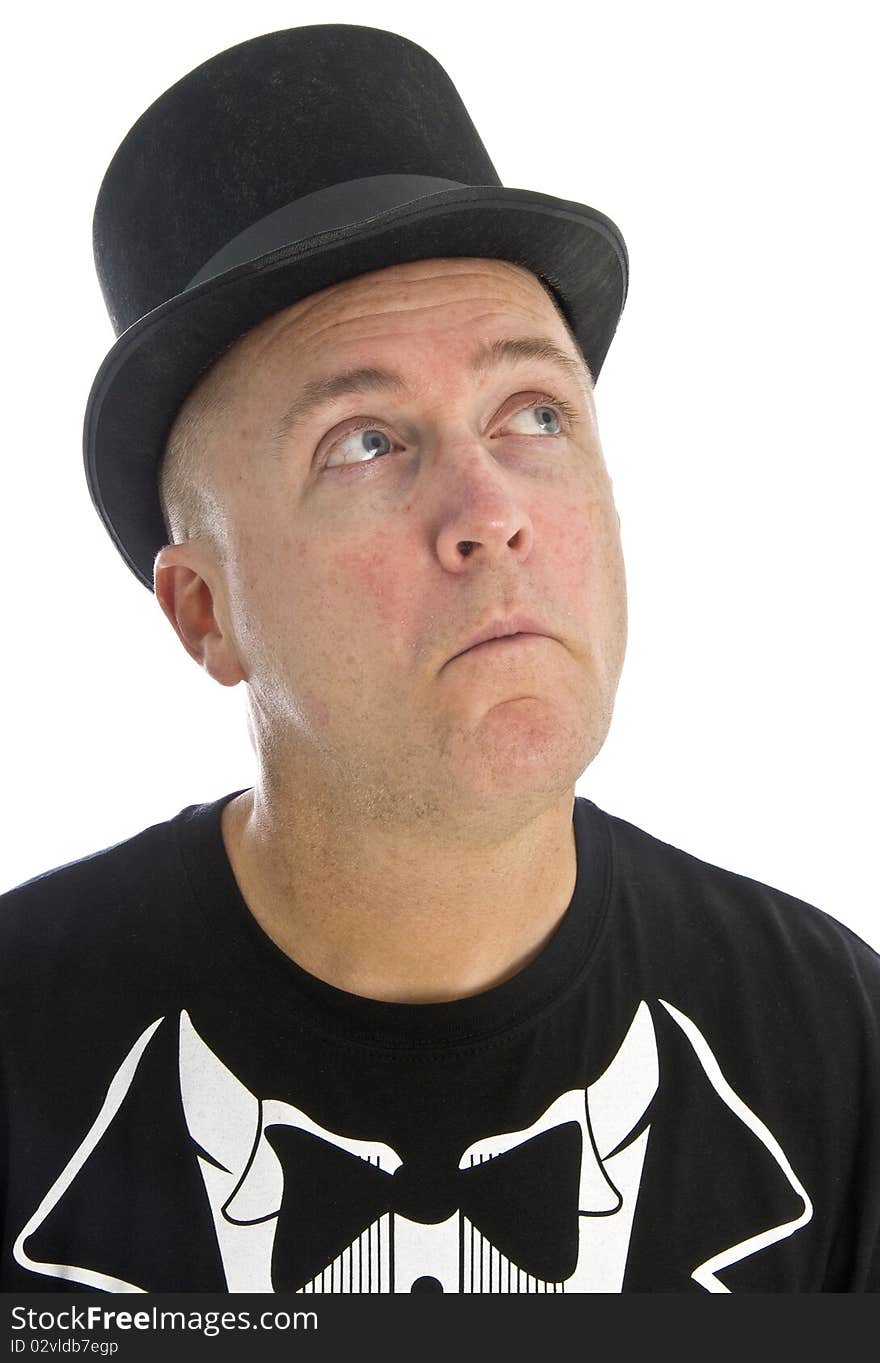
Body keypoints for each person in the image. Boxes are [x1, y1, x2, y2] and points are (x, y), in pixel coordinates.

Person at [1, 23, 878, 1296]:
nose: (489, 509)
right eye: (364, 441)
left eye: (533, 415)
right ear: (206, 613)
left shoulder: (829, 1044)